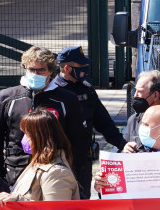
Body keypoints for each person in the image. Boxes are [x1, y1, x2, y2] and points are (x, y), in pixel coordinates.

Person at [0, 46, 88, 188]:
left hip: (54, 173)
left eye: (41, 70)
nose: (35, 73)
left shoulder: (67, 99)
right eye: (31, 69)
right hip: (16, 173)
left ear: (51, 71)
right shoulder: (8, 97)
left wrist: (73, 173)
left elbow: (78, 140)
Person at [50, 46, 126, 191]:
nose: (85, 68)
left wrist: (121, 143)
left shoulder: (86, 89)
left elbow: (103, 121)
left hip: (83, 157)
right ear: (66, 68)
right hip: (59, 158)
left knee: (83, 197)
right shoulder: (52, 91)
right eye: (81, 66)